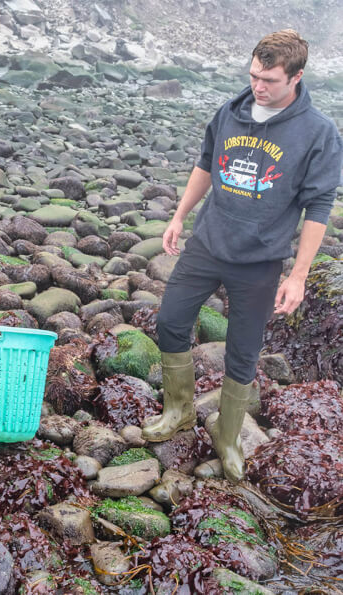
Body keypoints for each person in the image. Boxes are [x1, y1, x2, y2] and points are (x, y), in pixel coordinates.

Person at [142, 30, 342, 482]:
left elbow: (320, 206)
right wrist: (179, 217)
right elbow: (206, 164)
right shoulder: (230, 112)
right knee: (171, 320)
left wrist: (300, 274)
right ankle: (178, 410)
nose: (259, 86)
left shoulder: (318, 133)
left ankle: (228, 438)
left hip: (260, 260)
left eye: (269, 79)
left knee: (243, 353)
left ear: (296, 77)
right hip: (208, 243)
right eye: (254, 76)